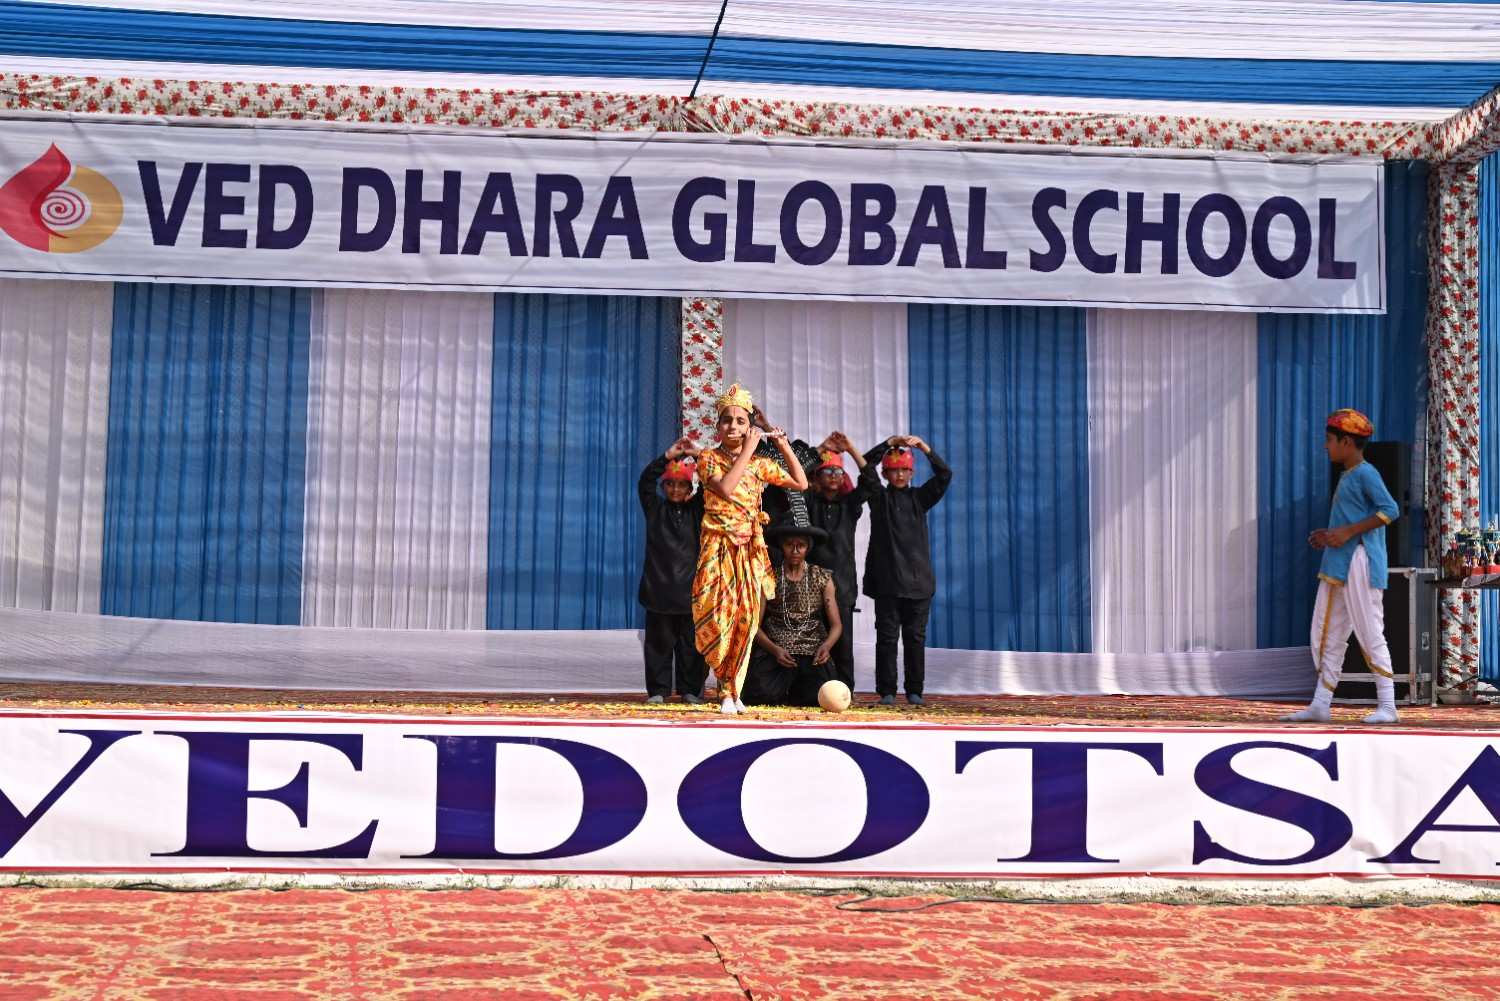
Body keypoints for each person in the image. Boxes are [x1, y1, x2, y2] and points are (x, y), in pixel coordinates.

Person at [692, 384, 809, 715]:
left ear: (748, 426)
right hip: (717, 548)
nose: (733, 426)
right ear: (718, 426)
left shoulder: (759, 464)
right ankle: (723, 684)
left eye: (741, 421)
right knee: (719, 617)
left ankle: (731, 690)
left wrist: (783, 446)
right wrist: (751, 447)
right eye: (726, 420)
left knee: (745, 619)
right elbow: (727, 488)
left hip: (748, 551)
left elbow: (801, 483)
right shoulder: (708, 458)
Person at [1282, 409, 1402, 725]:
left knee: (1370, 631)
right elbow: (1350, 521)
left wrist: (1347, 532)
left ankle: (1388, 706)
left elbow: (1390, 510)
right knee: (1331, 634)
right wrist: (1329, 535)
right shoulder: (1349, 475)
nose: (1326, 446)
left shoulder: (1365, 473)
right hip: (1339, 564)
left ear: (1346, 442)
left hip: (1360, 562)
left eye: (1329, 440)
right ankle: (1321, 703)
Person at [862, 434, 952, 706]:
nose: (899, 475)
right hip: (888, 584)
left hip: (918, 584)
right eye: (893, 470)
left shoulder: (920, 498)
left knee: (914, 640)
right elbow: (865, 465)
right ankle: (887, 691)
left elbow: (945, 475)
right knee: (887, 639)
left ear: (911, 473)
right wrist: (888, 444)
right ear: (885, 474)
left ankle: (915, 691)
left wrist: (924, 448)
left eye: (904, 470)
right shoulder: (878, 498)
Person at [742, 514, 842, 707]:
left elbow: (836, 625)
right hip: (777, 652)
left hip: (812, 653)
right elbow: (754, 625)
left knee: (817, 697)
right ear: (782, 546)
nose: (795, 550)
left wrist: (826, 646)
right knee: (760, 695)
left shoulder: (822, 577)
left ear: (808, 548)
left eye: (801, 545)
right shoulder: (769, 577)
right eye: (789, 545)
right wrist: (775, 650)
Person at [637, 439, 708, 704]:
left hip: (691, 593)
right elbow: (645, 481)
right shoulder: (655, 508)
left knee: (692, 646)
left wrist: (697, 456)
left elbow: (711, 483)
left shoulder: (697, 510)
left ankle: (690, 690)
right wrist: (667, 456)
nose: (675, 489)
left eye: (681, 485)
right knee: (658, 646)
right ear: (663, 486)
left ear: (690, 488)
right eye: (670, 484)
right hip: (659, 591)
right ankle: (658, 691)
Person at [806, 432, 872, 693]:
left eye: (838, 472)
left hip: (842, 585)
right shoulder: (809, 502)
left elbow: (870, 481)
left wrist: (851, 449)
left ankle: (845, 692)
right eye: (827, 471)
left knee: (843, 644)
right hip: (811, 584)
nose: (833, 476)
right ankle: (813, 692)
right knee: (812, 641)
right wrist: (822, 448)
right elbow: (797, 473)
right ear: (818, 476)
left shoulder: (850, 504)